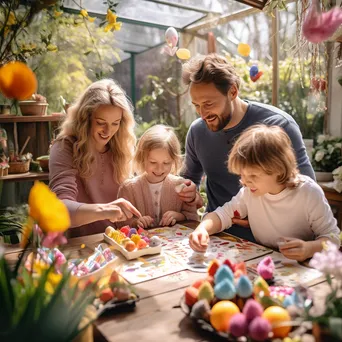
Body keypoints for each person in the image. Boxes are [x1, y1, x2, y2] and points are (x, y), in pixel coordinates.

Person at [178, 53, 315, 241]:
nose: (202, 113)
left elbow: (306, 188)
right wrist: (189, 192)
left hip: (276, 242)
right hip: (218, 236)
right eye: (196, 105)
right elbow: (188, 181)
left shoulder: (278, 125)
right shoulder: (197, 132)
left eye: (208, 104)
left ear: (233, 91)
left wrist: (265, 217)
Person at [189, 125, 340, 262]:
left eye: (253, 176)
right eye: (242, 175)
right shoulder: (249, 192)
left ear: (278, 169)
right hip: (266, 262)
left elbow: (333, 237)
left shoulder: (309, 193)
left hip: (303, 267)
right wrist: (202, 229)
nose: (245, 182)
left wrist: (309, 249)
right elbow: (222, 215)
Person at [49, 79, 141, 237]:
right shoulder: (65, 147)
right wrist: (105, 210)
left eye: (115, 123)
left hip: (117, 242)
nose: (108, 131)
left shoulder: (121, 147)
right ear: (85, 118)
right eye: (101, 123)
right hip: (77, 246)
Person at [117, 125, 199, 229]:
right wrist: (136, 222)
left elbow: (193, 219)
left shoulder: (181, 186)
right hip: (144, 244)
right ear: (142, 158)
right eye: (153, 162)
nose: (159, 169)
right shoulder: (129, 188)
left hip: (174, 244)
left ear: (174, 160)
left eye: (166, 163)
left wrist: (179, 216)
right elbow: (120, 222)